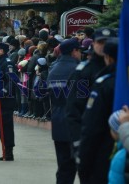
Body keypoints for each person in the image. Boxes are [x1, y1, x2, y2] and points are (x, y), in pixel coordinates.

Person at [66, 28, 117, 166]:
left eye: (107, 42)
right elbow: (75, 108)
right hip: (91, 136)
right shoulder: (84, 72)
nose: (103, 46)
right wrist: (77, 141)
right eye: (100, 42)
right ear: (93, 44)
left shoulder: (121, 71)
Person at [78, 37, 119, 183]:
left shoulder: (104, 84)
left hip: (106, 154)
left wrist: (83, 162)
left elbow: (92, 127)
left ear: (107, 57)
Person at [47, 38, 81, 183]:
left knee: (63, 167)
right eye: (79, 51)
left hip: (58, 121)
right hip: (76, 123)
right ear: (74, 51)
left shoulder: (53, 69)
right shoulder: (78, 69)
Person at [0, 42, 16, 161]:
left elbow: (12, 81)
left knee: (6, 126)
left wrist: (3, 91)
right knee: (0, 126)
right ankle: (5, 150)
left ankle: (8, 152)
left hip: (6, 100)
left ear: (2, 50)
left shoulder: (7, 63)